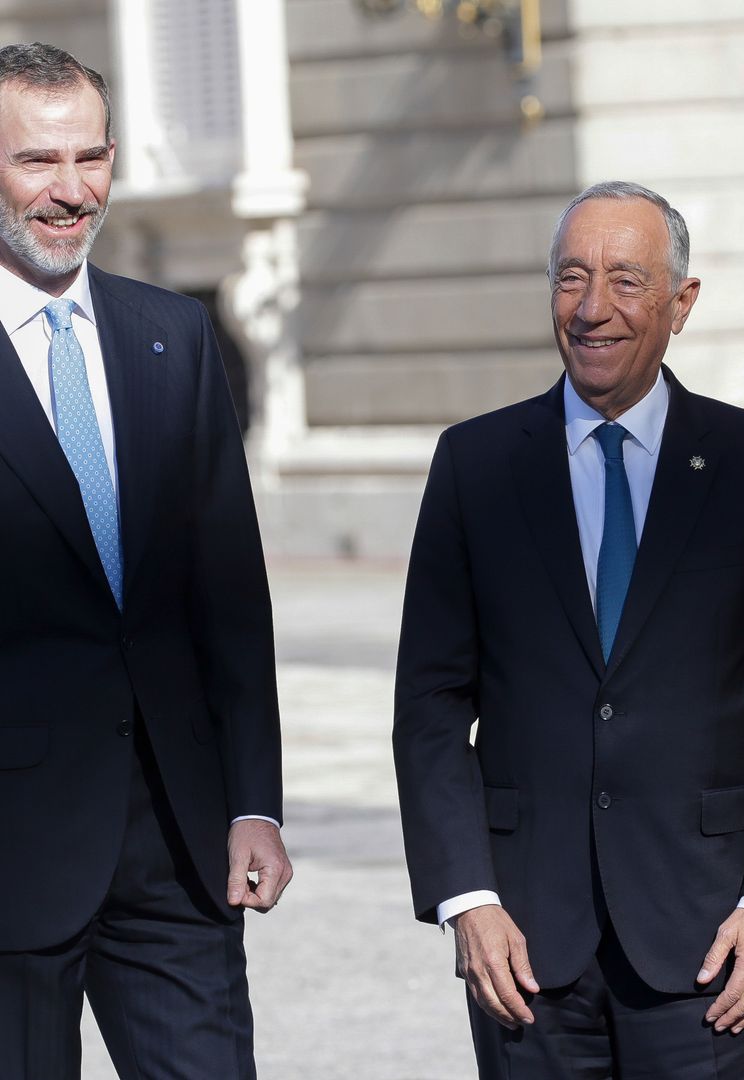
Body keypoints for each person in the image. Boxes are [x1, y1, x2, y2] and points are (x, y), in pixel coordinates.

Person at [394, 180, 744, 1079]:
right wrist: (468, 897)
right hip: (523, 949)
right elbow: (430, 705)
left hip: (714, 947)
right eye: (571, 277)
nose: (593, 307)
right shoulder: (475, 464)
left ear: (682, 304)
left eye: (626, 280)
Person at [0, 43, 290, 1079]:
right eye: (38, 162)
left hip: (178, 846)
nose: (71, 192)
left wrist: (254, 800)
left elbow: (231, 594)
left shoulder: (175, 336)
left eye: (92, 158)